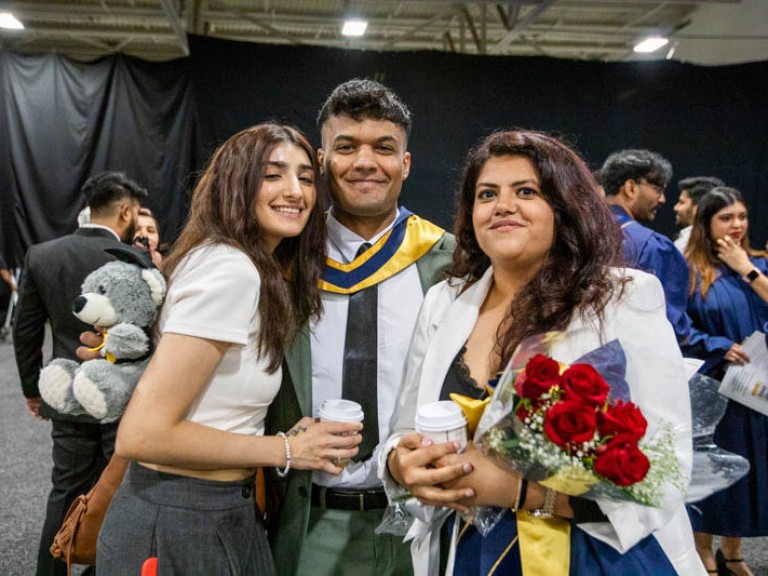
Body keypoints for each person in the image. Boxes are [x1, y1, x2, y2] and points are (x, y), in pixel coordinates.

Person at [382, 131, 705, 575]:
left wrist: (521, 492)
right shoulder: (444, 300)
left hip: (590, 556)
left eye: (527, 191)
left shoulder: (622, 298)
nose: (503, 206)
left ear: (565, 207)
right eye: (487, 194)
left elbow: (663, 473)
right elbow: (403, 426)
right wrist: (402, 464)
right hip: (464, 551)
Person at [95, 124, 363, 574]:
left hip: (213, 512)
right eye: (273, 175)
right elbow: (142, 435)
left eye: (306, 177)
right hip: (180, 520)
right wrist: (287, 450)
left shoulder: (229, 259)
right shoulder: (232, 268)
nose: (295, 191)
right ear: (236, 182)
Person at [266, 79, 455, 575]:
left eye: (384, 148)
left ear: (406, 164)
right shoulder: (280, 263)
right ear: (322, 161)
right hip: (307, 520)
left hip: (422, 521)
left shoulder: (452, 263)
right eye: (346, 146)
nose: (365, 161)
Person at [12, 171, 147, 576]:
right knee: (122, 495)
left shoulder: (41, 254)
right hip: (122, 402)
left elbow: (26, 331)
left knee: (65, 491)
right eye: (137, 214)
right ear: (125, 210)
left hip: (67, 395)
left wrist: (32, 389)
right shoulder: (132, 260)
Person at [683, 187, 768, 576]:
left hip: (757, 386)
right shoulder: (690, 269)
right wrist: (718, 345)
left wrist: (745, 268)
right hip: (713, 385)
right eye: (726, 218)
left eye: (742, 217)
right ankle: (703, 552)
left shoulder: (758, 266)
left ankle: (732, 554)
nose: (737, 225)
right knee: (712, 469)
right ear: (707, 223)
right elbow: (678, 326)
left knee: (750, 471)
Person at [601, 150, 730, 367]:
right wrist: (716, 345)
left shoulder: (570, 232)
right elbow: (671, 325)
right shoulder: (653, 246)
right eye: (658, 189)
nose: (662, 199)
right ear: (631, 187)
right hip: (631, 367)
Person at [673, 176, 725, 252]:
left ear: (698, 208)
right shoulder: (727, 241)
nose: (675, 207)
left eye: (682, 202)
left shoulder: (685, 245)